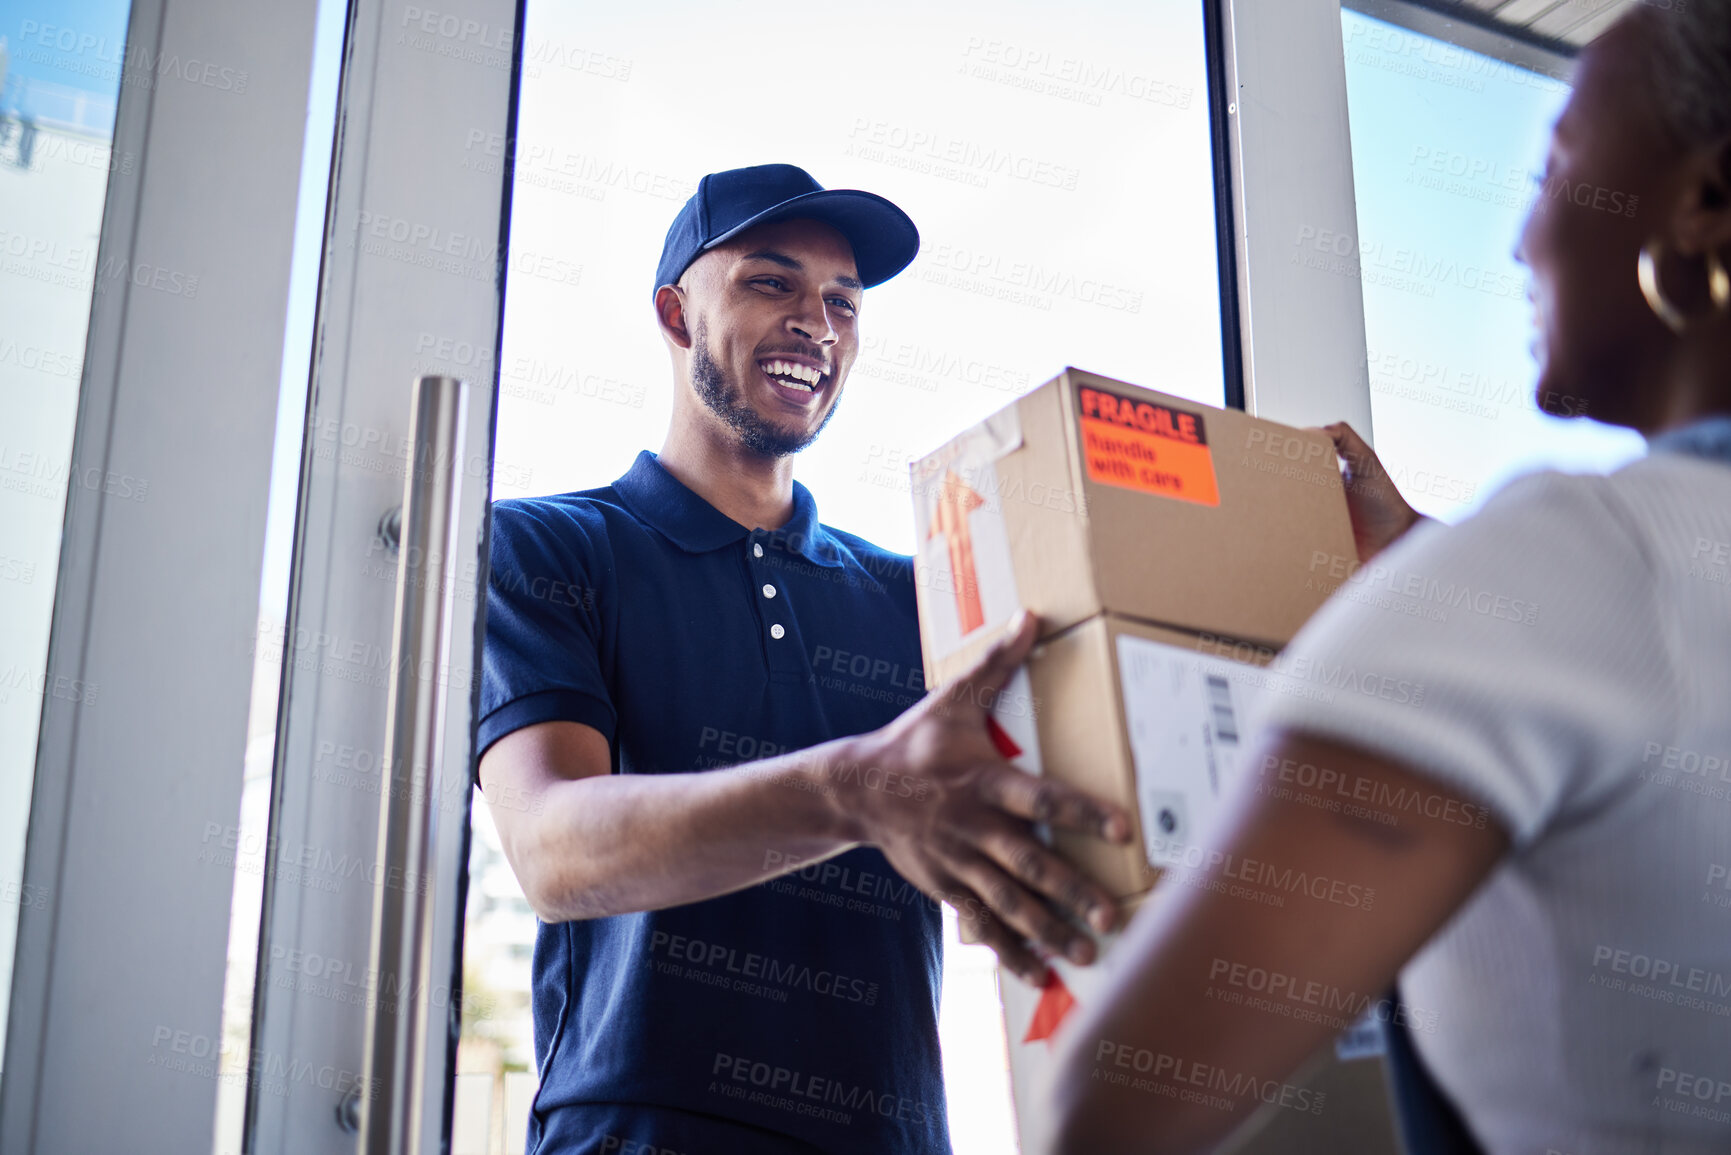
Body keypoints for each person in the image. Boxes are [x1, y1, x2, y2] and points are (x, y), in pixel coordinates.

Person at [1048, 5, 1731, 1154]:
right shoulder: (1599, 582)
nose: (1523, 240)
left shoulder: (1580, 555)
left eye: (1554, 167)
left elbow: (1114, 1111)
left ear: (1705, 202)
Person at [476, 163, 1132, 1155]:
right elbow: (556, 850)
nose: (816, 324)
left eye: (842, 303)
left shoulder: (923, 602)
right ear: (675, 312)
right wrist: (852, 791)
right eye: (770, 283)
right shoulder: (548, 552)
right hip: (639, 1133)